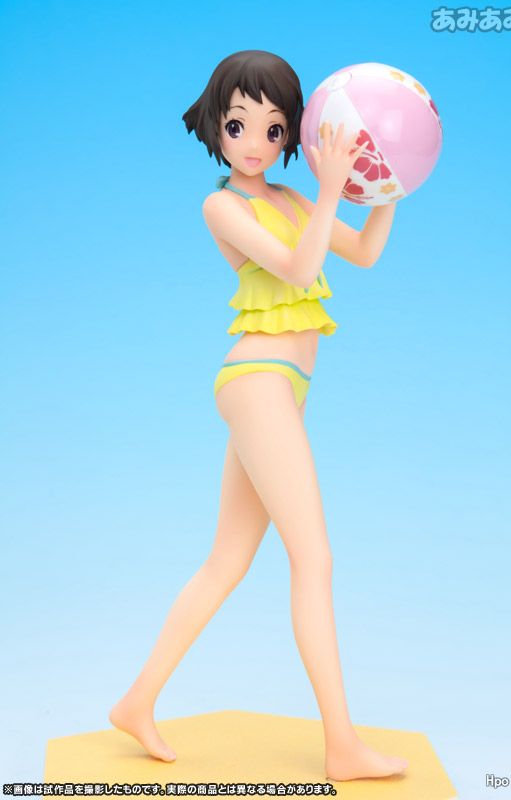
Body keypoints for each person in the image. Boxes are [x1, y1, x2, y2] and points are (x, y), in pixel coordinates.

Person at [109, 50, 406, 782]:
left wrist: (391, 181)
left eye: (274, 130)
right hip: (259, 380)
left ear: (290, 135)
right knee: (314, 559)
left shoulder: (296, 200)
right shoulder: (224, 207)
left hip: (281, 388)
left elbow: (365, 253)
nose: (255, 142)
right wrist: (331, 192)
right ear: (217, 123)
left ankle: (135, 701)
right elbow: (299, 270)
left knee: (228, 560)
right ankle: (342, 744)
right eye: (240, 124)